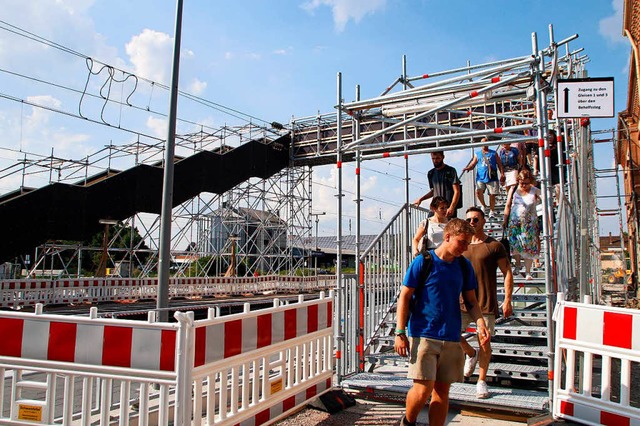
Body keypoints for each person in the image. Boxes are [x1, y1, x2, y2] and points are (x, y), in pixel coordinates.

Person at [394, 219, 490, 426]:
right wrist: (400, 332)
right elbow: (405, 296)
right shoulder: (423, 261)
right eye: (462, 242)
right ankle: (408, 422)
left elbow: (471, 301)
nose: (465, 247)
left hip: (451, 335)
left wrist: (480, 322)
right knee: (422, 389)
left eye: (468, 243)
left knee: (442, 392)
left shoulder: (464, 266)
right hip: (424, 333)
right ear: (447, 237)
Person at [460, 207, 514, 399]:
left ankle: (481, 381)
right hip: (463, 302)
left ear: (483, 221)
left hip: (486, 302)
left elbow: (507, 272)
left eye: (476, 219)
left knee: (485, 342)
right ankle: (469, 353)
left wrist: (507, 299)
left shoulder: (494, 246)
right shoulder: (462, 245)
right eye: (469, 220)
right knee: (450, 334)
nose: (472, 223)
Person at [503, 169, 541, 279]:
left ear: (530, 181)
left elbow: (546, 199)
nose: (523, 185)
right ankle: (518, 264)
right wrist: (505, 219)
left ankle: (528, 271)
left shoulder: (534, 190)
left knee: (528, 246)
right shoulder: (513, 189)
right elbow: (508, 204)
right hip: (514, 222)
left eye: (526, 183)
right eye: (521, 182)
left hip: (529, 223)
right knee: (515, 244)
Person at [462, 138, 504, 219]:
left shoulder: (493, 153)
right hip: (480, 177)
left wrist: (502, 173)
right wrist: (468, 168)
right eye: (483, 143)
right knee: (478, 192)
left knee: (492, 194)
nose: (484, 144)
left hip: (492, 177)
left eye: (486, 142)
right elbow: (473, 164)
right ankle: (484, 205)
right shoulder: (478, 154)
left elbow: (499, 164)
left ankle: (491, 211)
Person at [413, 151, 461, 218]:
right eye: (433, 158)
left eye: (438, 158)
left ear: (443, 157)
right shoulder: (431, 173)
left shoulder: (451, 171)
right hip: (435, 208)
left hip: (447, 208)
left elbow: (457, 191)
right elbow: (433, 191)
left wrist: (452, 207)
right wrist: (421, 199)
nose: (435, 160)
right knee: (428, 224)